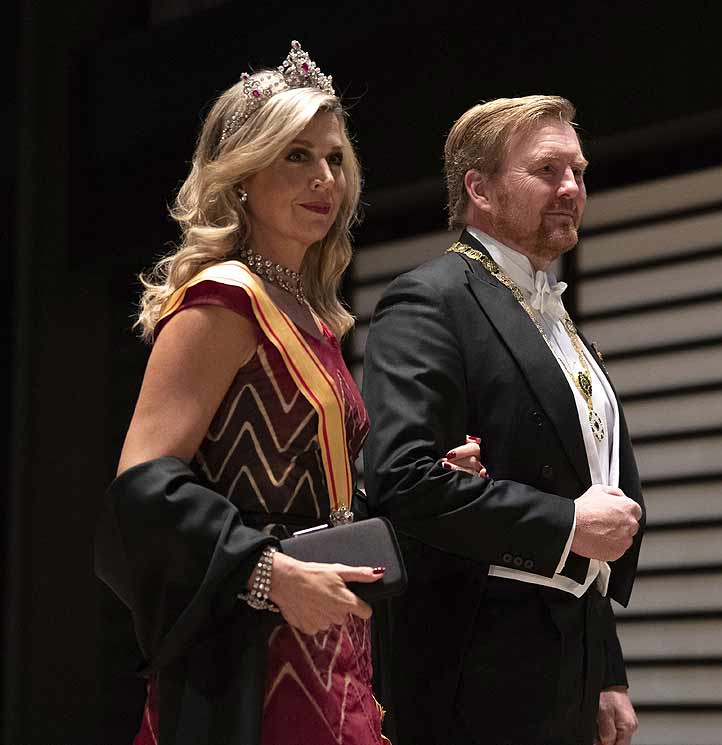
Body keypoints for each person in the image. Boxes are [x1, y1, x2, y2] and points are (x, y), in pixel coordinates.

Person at [94, 41, 484, 745]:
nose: (324, 178)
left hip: (332, 647)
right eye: (295, 155)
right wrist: (266, 572)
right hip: (251, 662)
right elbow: (142, 486)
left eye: (335, 157)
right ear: (242, 175)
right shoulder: (223, 300)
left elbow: (307, 493)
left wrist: (419, 488)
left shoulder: (311, 313)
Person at [361, 96, 645, 745]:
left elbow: (590, 487)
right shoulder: (429, 299)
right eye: (546, 170)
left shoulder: (553, 315)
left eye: (577, 170)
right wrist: (568, 522)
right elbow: (401, 478)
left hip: (565, 650)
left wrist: (605, 668)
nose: (571, 187)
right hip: (475, 655)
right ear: (479, 188)